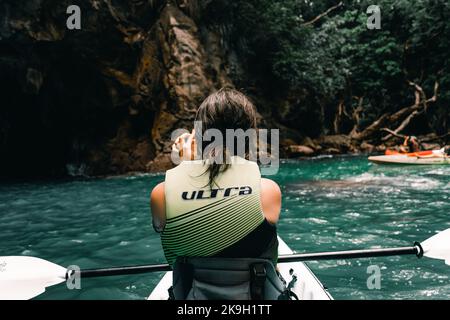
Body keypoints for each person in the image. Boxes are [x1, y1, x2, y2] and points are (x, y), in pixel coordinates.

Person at [150, 88, 284, 299]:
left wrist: (189, 165)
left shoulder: (161, 194)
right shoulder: (267, 191)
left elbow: (185, 227)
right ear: (249, 136)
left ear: (199, 136)